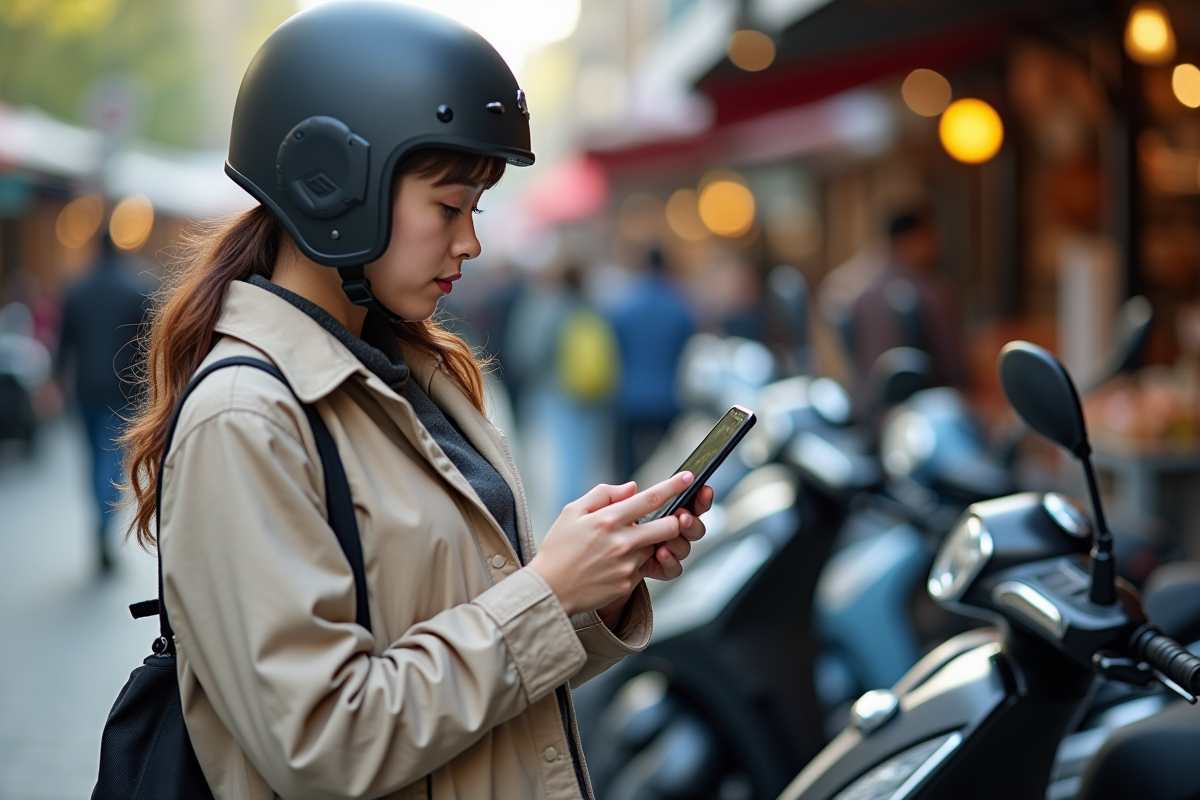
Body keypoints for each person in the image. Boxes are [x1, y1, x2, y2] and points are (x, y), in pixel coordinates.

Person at [118, 5, 711, 799]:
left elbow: (469, 664)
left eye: (477, 210)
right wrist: (548, 591)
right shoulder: (247, 418)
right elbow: (324, 740)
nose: (470, 242)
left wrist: (595, 583)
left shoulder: (406, 372)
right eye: (448, 207)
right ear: (334, 186)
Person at [57, 233, 149, 571]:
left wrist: (56, 382)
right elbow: (146, 344)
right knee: (112, 460)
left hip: (84, 388)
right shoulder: (136, 288)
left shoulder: (76, 289)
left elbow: (63, 342)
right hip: (123, 390)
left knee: (93, 458)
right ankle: (104, 523)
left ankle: (99, 523)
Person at [850, 210, 969, 391]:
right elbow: (954, 371)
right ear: (915, 238)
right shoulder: (931, 294)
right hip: (923, 409)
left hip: (873, 408)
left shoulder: (863, 295)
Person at [608, 248, 694, 479]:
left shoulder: (627, 305)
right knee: (668, 463)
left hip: (631, 395)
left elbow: (616, 346)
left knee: (628, 465)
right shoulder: (679, 305)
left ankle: (627, 505)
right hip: (668, 396)